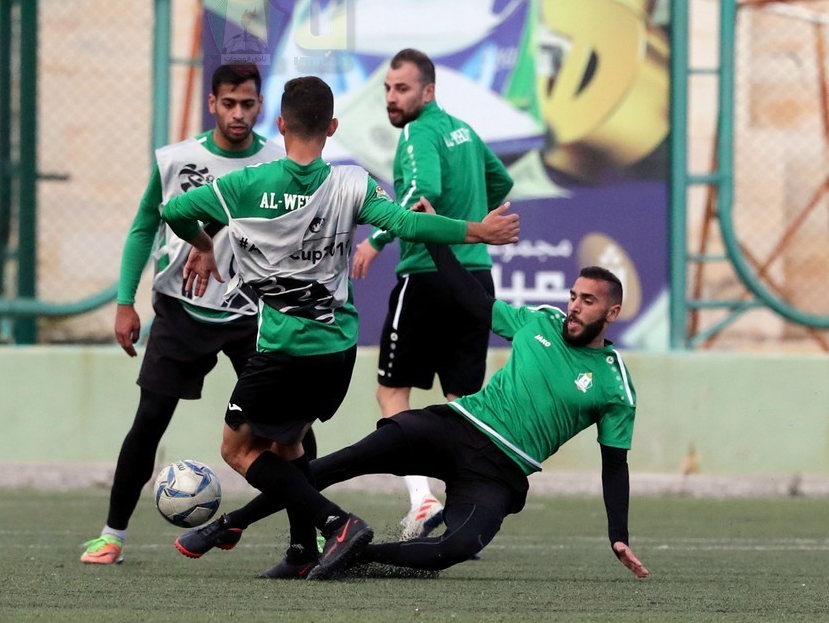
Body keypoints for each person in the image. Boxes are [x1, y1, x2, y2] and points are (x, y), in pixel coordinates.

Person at [163, 75, 520, 580]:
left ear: (280, 124)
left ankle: (337, 523)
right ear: (331, 128)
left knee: (237, 450)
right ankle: (300, 552)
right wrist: (478, 230)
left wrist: (203, 245)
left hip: (282, 348)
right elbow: (407, 223)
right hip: (336, 351)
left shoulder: (245, 184)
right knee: (289, 445)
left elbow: (175, 211)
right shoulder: (351, 183)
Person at [179, 248, 648, 583]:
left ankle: (355, 556)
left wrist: (619, 535)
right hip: (454, 427)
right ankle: (231, 523)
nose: (573, 307)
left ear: (612, 312)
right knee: (340, 462)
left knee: (454, 549)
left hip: (500, 473)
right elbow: (472, 300)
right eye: (573, 296)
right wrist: (433, 242)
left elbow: (615, 465)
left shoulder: (616, 386)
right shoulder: (540, 321)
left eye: (587, 301)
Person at [79, 62, 284, 565]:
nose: (238, 114)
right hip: (181, 309)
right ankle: (112, 535)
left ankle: (315, 530)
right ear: (212, 104)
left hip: (252, 311)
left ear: (261, 105)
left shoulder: (278, 162)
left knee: (286, 425)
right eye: (229, 103)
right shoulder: (176, 160)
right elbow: (143, 225)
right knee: (149, 420)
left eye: (248, 104)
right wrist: (125, 302)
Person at [351, 47, 514, 539]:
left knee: (391, 391)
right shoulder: (463, 131)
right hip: (475, 279)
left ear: (428, 91)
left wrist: (377, 239)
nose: (392, 97)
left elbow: (422, 189)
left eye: (402, 89)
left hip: (426, 274)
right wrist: (475, 215)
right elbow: (502, 181)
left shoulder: (418, 132)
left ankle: (422, 500)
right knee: (464, 404)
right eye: (387, 88)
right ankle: (466, 518)